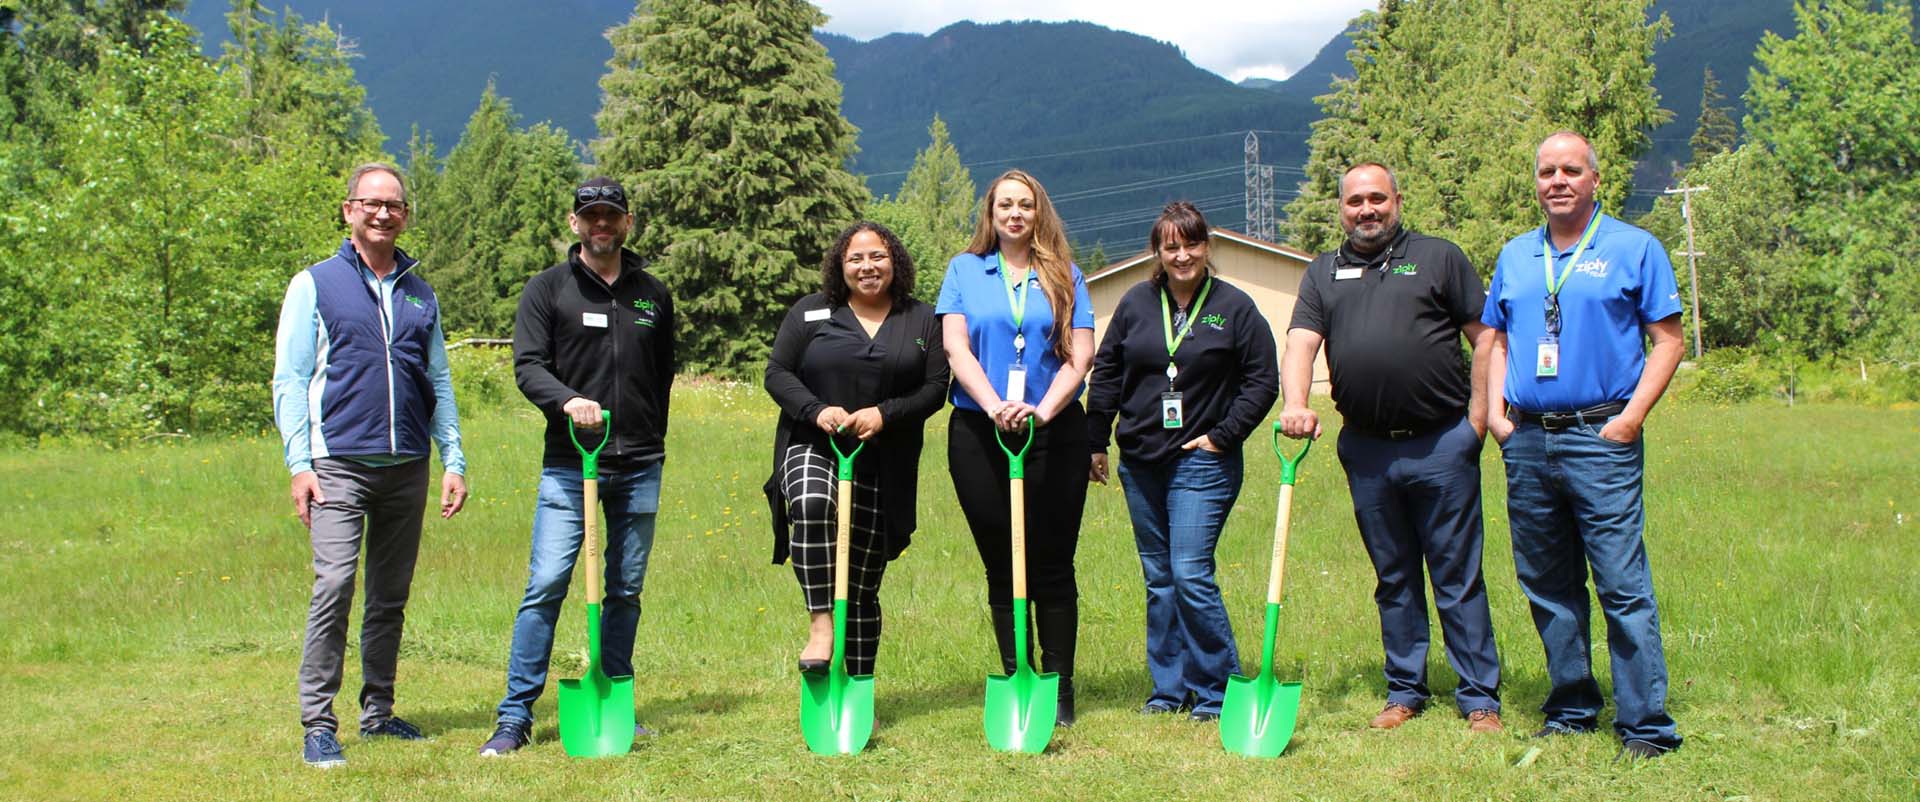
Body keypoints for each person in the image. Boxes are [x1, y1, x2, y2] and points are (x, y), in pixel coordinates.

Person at [1279, 163, 1503, 734]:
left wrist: (1478, 420)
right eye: (1355, 201)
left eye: (1377, 198)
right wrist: (1296, 402)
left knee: (1457, 575)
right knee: (1394, 575)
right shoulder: (1323, 272)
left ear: (1397, 201)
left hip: (1442, 443)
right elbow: (1302, 343)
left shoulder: (1438, 257)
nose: (1366, 210)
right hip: (1368, 451)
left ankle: (1479, 698)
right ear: (1341, 209)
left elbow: (1486, 340)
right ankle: (1405, 690)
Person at [1483, 131, 1685, 760]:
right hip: (1528, 439)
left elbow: (1669, 340)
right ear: (1536, 182)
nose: (1558, 181)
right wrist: (1494, 414)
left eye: (1572, 169)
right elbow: (1497, 339)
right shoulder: (1517, 255)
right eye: (1547, 171)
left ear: (1596, 180)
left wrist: (1629, 420)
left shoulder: (1634, 247)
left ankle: (1645, 725)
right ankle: (1571, 707)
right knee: (1546, 581)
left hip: (1601, 436)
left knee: (1621, 584)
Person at [272, 162, 469, 769]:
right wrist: (298, 463)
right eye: (371, 203)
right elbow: (291, 378)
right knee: (334, 585)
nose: (383, 213)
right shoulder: (315, 284)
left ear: (405, 215)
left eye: (395, 205)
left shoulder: (419, 291)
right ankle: (317, 723)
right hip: (337, 465)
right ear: (349, 210)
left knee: (389, 595)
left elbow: (436, 378)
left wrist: (453, 458)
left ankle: (378, 712)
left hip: (406, 464)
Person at [480, 177, 675, 756]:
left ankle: (614, 698)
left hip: (640, 464)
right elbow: (528, 365)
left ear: (627, 222)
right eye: (590, 215)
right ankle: (514, 716)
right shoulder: (548, 291)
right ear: (574, 224)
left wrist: (651, 434)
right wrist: (567, 401)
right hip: (571, 463)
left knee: (626, 588)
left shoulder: (652, 295)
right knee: (546, 584)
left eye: (611, 215)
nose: (601, 225)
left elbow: (662, 371)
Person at [1087, 201, 1278, 722]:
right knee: (1160, 579)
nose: (1182, 254)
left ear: (1207, 247)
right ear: (1158, 251)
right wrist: (1096, 439)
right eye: (1171, 245)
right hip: (1141, 461)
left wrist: (1223, 436)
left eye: (1191, 243)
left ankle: (1218, 692)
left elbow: (1263, 380)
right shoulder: (1135, 304)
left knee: (1190, 572)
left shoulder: (1235, 308)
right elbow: (1106, 372)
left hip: (1203, 463)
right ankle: (1170, 690)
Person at [937, 169, 1095, 726]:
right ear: (991, 213)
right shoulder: (963, 270)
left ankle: (1060, 687)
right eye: (1005, 204)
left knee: (1052, 562)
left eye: (1025, 204)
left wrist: (1041, 410)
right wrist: (995, 406)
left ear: (1039, 211)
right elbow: (956, 348)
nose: (1015, 214)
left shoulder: (1066, 274)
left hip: (1053, 430)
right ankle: (1016, 676)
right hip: (981, 432)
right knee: (1001, 563)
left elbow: (1080, 356)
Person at [762, 221, 949, 678]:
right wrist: (815, 409)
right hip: (814, 442)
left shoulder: (922, 318)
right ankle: (820, 624)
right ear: (840, 266)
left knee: (862, 585)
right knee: (810, 501)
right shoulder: (811, 312)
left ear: (895, 262)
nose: (867, 267)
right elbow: (777, 372)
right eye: (855, 258)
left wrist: (885, 414)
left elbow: (935, 387)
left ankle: (858, 690)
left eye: (877, 256)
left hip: (883, 462)